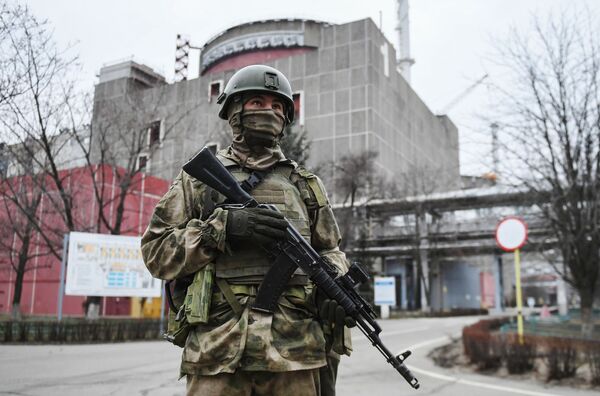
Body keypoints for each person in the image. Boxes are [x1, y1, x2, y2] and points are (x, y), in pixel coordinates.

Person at [141, 64, 351, 396]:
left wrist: (334, 279)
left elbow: (331, 250)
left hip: (294, 355)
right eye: (257, 102)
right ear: (234, 111)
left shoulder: (306, 185)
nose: (269, 111)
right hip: (217, 351)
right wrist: (221, 229)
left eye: (277, 105)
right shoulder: (198, 180)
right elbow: (156, 253)